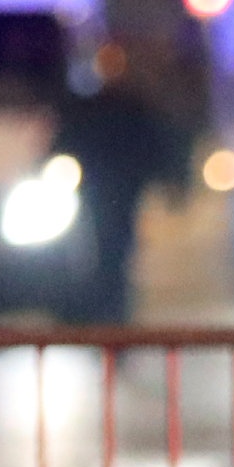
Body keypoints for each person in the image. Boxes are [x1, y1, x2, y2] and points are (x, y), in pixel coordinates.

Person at [52, 41, 188, 324]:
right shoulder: (89, 108)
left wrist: (172, 181)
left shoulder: (134, 107)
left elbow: (155, 145)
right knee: (95, 250)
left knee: (116, 250)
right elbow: (67, 142)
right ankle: (100, 311)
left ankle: (112, 314)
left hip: (122, 190)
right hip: (95, 190)